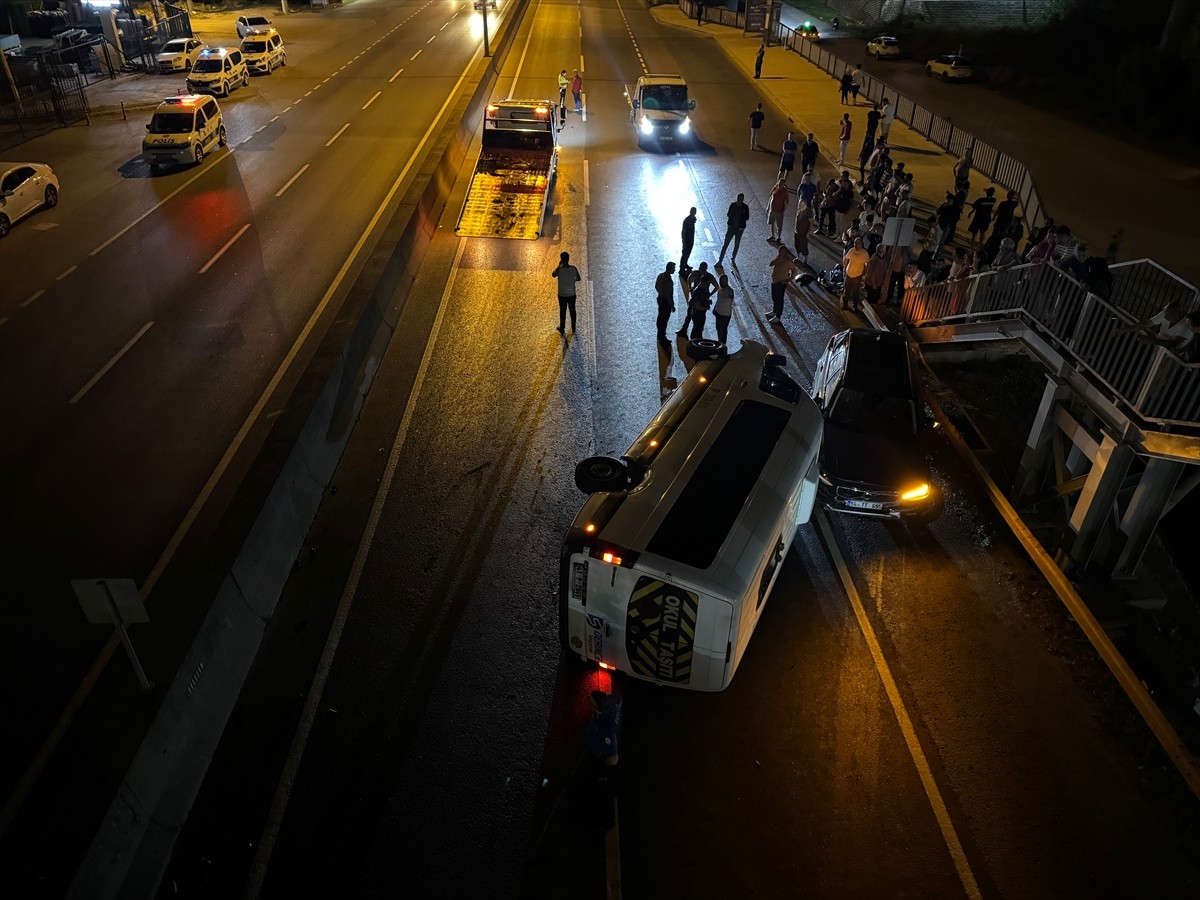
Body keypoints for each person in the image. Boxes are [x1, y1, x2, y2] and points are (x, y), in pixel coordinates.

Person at [584, 690, 622, 830]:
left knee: (605, 793)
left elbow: (613, 760)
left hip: (604, 762)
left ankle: (607, 822)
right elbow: (618, 698)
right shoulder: (612, 704)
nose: (588, 700)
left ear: (596, 707)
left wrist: (602, 766)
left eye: (591, 701)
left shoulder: (605, 729)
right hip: (603, 752)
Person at [1117, 299, 1193, 350]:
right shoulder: (1166, 313)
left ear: (1177, 314)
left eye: (1167, 314)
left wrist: (1151, 339)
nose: (1164, 316)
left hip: (1173, 358)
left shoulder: (1186, 325)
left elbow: (1173, 344)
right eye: (1164, 312)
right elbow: (1147, 323)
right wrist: (1124, 330)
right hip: (1159, 350)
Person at [685, 262, 717, 339]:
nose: (701, 271)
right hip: (697, 301)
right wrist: (690, 288)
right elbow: (689, 277)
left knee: (699, 325)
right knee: (694, 321)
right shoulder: (696, 274)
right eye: (700, 269)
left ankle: (697, 339)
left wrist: (709, 295)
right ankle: (692, 338)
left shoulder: (709, 277)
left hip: (703, 301)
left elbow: (717, 286)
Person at [552, 251, 581, 333]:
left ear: (561, 260)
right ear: (568, 259)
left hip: (562, 294)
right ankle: (573, 327)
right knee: (572, 310)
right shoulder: (573, 268)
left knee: (563, 311)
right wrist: (572, 280)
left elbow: (553, 274)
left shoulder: (560, 270)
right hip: (572, 294)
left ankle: (562, 327)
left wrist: (558, 265)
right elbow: (579, 278)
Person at [717, 193, 750, 265]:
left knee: (736, 244)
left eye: (741, 199)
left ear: (743, 199)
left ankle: (733, 259)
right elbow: (728, 214)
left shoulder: (745, 207)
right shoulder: (733, 205)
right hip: (731, 228)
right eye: (738, 199)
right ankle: (720, 260)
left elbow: (747, 218)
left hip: (739, 229)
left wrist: (743, 215)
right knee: (726, 244)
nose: (739, 200)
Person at [767, 245, 797, 323]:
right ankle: (774, 311)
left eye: (782, 252)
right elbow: (771, 264)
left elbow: (794, 271)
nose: (780, 253)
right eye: (780, 251)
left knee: (779, 299)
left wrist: (788, 280)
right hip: (774, 281)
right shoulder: (779, 259)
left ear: (786, 253)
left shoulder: (788, 262)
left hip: (781, 283)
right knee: (774, 297)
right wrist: (777, 259)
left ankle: (778, 316)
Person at [842, 237, 870, 310]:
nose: (855, 245)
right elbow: (846, 259)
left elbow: (867, 263)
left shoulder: (864, 253)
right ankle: (845, 304)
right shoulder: (851, 251)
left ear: (861, 244)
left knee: (856, 292)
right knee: (846, 290)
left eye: (857, 244)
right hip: (849, 274)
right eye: (855, 243)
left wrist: (865, 272)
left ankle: (855, 306)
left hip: (857, 275)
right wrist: (845, 269)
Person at [655, 261, 677, 346]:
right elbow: (668, 295)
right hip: (665, 302)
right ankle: (662, 337)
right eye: (673, 268)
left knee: (660, 317)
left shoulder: (660, 275)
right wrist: (672, 306)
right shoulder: (668, 280)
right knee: (664, 320)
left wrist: (661, 293)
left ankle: (659, 334)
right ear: (669, 268)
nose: (674, 270)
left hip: (660, 299)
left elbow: (656, 286)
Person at [713, 272, 734, 343]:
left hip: (725, 315)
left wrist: (731, 295)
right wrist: (715, 308)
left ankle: (723, 344)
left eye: (723, 282)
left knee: (723, 331)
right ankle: (720, 342)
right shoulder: (720, 290)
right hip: (718, 313)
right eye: (720, 281)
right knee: (718, 329)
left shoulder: (730, 291)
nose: (721, 283)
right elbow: (719, 300)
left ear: (726, 282)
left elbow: (731, 297)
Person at [768, 177, 790, 242]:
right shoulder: (775, 188)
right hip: (772, 209)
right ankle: (773, 236)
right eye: (780, 183)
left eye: (782, 183)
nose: (780, 184)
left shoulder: (785, 191)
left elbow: (787, 201)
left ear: (784, 184)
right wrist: (769, 207)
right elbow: (771, 196)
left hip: (779, 210)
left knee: (779, 225)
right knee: (772, 223)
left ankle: (779, 237)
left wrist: (784, 209)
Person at [793, 200, 813, 266]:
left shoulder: (808, 212)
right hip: (797, 231)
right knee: (797, 245)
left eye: (801, 204)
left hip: (804, 232)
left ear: (805, 204)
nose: (799, 205)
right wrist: (795, 229)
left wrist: (809, 232)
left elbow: (811, 223)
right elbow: (796, 219)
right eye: (799, 204)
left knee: (804, 246)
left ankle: (805, 260)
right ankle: (799, 258)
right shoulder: (799, 210)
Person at [680, 207, 697, 272]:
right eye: (692, 211)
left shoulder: (693, 219)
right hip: (687, 239)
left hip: (691, 239)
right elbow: (683, 232)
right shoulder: (687, 221)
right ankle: (681, 267)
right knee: (685, 253)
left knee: (688, 252)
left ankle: (685, 263)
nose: (693, 213)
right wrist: (684, 242)